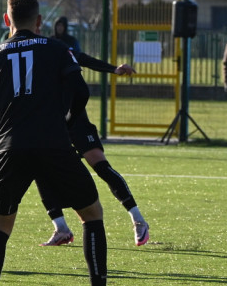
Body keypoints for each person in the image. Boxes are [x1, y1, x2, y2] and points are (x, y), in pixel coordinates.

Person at [0, 0, 129, 286]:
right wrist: (67, 120)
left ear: (7, 20)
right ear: (40, 21)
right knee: (92, 214)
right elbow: (81, 91)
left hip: (10, 147)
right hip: (54, 144)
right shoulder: (57, 49)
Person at [36, 49, 150, 248]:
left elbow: (85, 60)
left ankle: (138, 220)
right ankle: (61, 228)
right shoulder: (27, 53)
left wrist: (114, 69)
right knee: (41, 171)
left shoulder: (57, 49)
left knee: (102, 167)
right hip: (53, 125)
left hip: (77, 123)